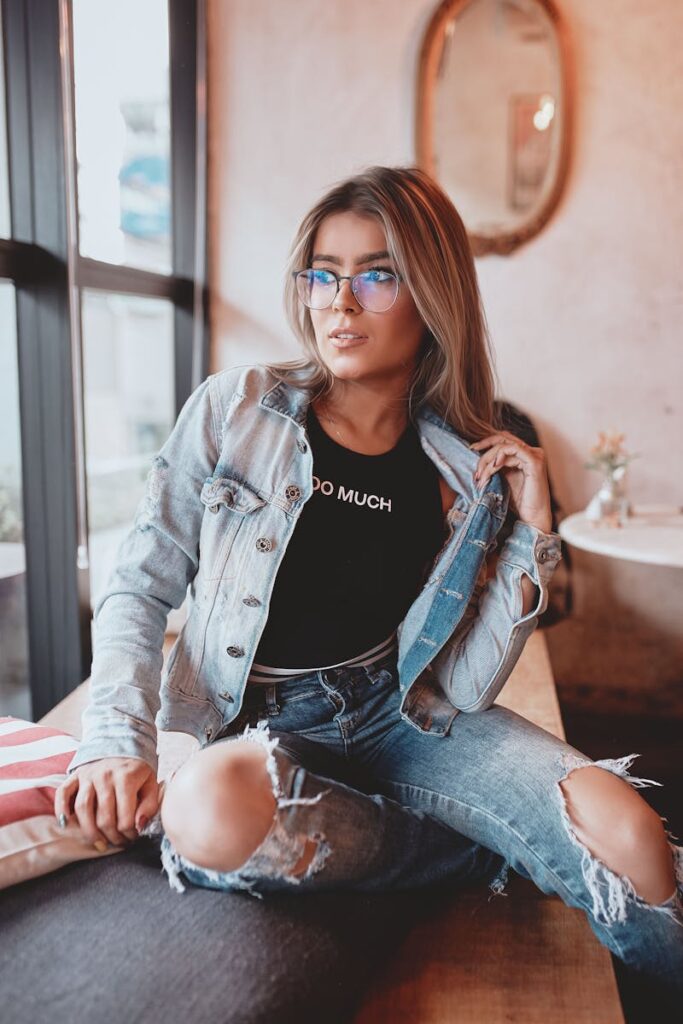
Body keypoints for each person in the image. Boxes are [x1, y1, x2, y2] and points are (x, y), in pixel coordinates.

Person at [55, 165, 682, 990]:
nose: (339, 303)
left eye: (376, 277)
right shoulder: (235, 410)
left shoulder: (463, 470)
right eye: (323, 275)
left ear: (432, 296)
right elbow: (140, 584)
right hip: (262, 728)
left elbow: (462, 685)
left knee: (627, 833)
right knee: (203, 810)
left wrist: (532, 535)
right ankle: (457, 847)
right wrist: (114, 740)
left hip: (398, 716)